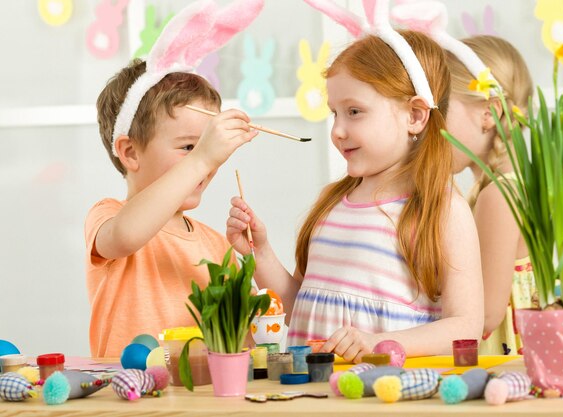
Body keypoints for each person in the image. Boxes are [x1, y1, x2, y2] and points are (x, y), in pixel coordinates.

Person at [227, 30, 483, 362]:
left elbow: (465, 326)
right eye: (335, 112)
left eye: (355, 112)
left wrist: (378, 343)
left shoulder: (442, 211)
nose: (337, 130)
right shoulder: (332, 205)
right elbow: (303, 307)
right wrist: (260, 254)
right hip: (312, 397)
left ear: (415, 115)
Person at [86, 58, 257, 357]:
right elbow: (126, 235)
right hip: (127, 397)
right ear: (130, 153)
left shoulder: (217, 246)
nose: (208, 162)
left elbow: (243, 343)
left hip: (200, 399)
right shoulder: (108, 216)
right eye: (189, 147)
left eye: (209, 148)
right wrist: (202, 158)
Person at [446, 35, 535, 355]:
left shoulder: (499, 195)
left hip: (500, 360)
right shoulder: (505, 186)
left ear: (489, 113)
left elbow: (485, 314)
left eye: (440, 108)